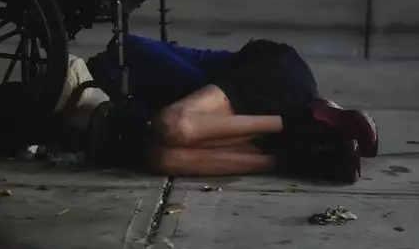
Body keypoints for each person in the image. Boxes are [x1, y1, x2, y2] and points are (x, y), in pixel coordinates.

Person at [56, 34, 378, 184]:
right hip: (251, 122)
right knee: (163, 156)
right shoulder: (120, 98)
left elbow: (183, 96)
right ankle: (311, 156)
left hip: (272, 76)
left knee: (172, 126)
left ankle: (304, 121)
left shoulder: (124, 55)